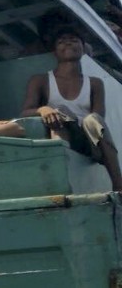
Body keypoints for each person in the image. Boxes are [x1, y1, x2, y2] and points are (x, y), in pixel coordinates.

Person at [21, 25, 122, 191]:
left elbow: (98, 118)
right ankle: (62, 182)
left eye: (74, 40)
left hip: (91, 142)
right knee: (60, 112)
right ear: (54, 51)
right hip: (63, 132)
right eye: (62, 41)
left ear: (83, 50)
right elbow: (25, 111)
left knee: (92, 119)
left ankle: (118, 183)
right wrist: (43, 109)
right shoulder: (40, 80)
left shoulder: (95, 83)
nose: (68, 44)